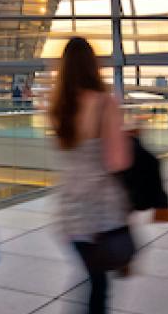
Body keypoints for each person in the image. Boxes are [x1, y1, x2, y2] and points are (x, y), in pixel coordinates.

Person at [49, 37, 133, 314]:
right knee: (98, 285)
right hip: (100, 209)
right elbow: (118, 161)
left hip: (69, 209)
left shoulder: (57, 108)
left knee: (91, 278)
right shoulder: (104, 103)